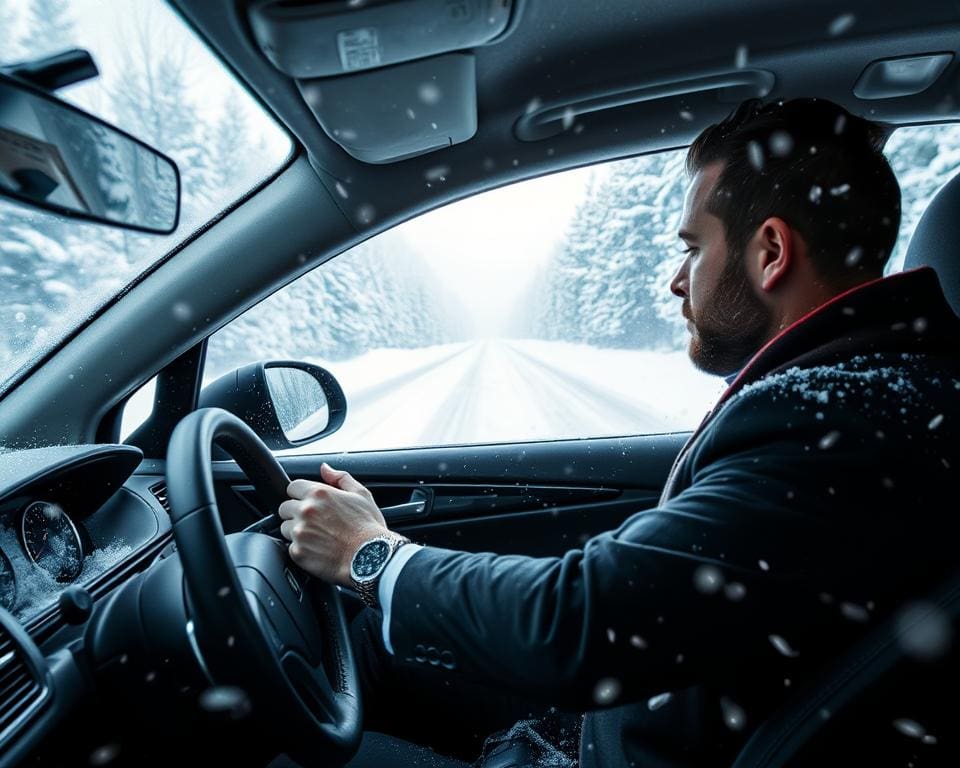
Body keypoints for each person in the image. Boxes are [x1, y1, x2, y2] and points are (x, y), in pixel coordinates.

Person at [277, 98, 960, 767]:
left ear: (771, 252)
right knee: (367, 652)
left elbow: (582, 624)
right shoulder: (874, 393)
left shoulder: (841, 421)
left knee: (289, 746)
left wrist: (371, 555)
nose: (675, 280)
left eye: (693, 248)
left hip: (620, 742)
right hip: (632, 718)